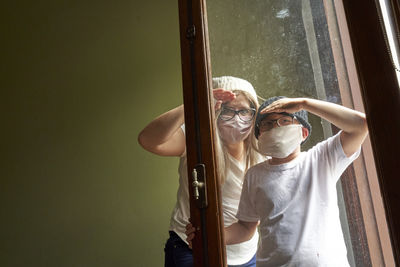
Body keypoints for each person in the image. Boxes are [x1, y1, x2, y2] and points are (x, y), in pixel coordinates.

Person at [187, 96, 368, 267]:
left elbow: (360, 125)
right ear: (259, 137)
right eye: (266, 124)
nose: (275, 127)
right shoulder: (254, 175)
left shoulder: (321, 159)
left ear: (303, 132)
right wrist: (208, 235)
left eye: (284, 121)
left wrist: (304, 104)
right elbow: (245, 227)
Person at [138, 76, 264, 267]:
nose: (236, 119)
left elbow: (257, 216)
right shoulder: (196, 139)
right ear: (213, 110)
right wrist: (195, 104)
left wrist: (212, 235)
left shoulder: (262, 150)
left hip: (243, 255)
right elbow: (148, 139)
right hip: (190, 247)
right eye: (226, 110)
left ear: (254, 114)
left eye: (244, 111)